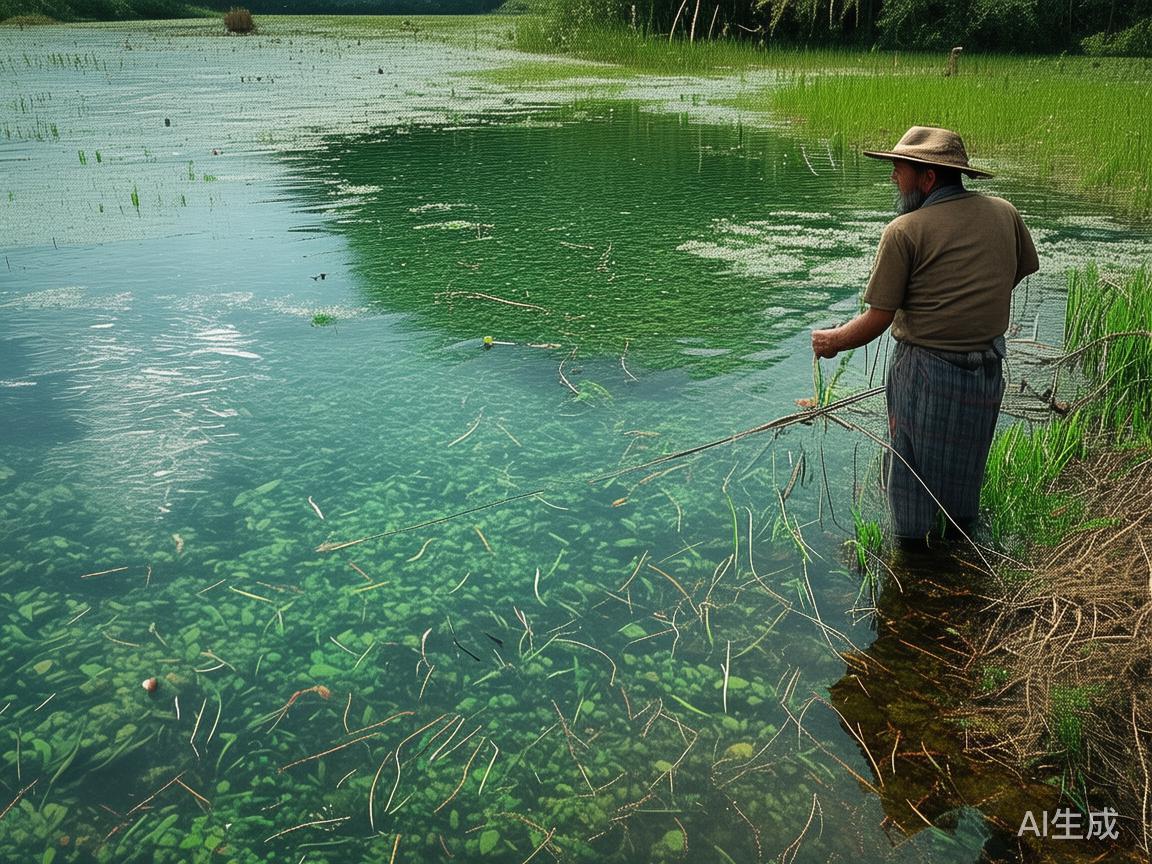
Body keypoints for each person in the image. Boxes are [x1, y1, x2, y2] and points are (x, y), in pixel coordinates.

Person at [811, 126, 1039, 547]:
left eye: (899, 169)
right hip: (986, 369)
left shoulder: (904, 230)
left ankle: (913, 563)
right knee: (965, 469)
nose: (893, 178)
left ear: (928, 177)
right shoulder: (1005, 213)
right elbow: (1019, 270)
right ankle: (959, 552)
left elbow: (877, 320)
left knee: (909, 476)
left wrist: (831, 341)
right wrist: (968, 307)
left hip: (927, 373)